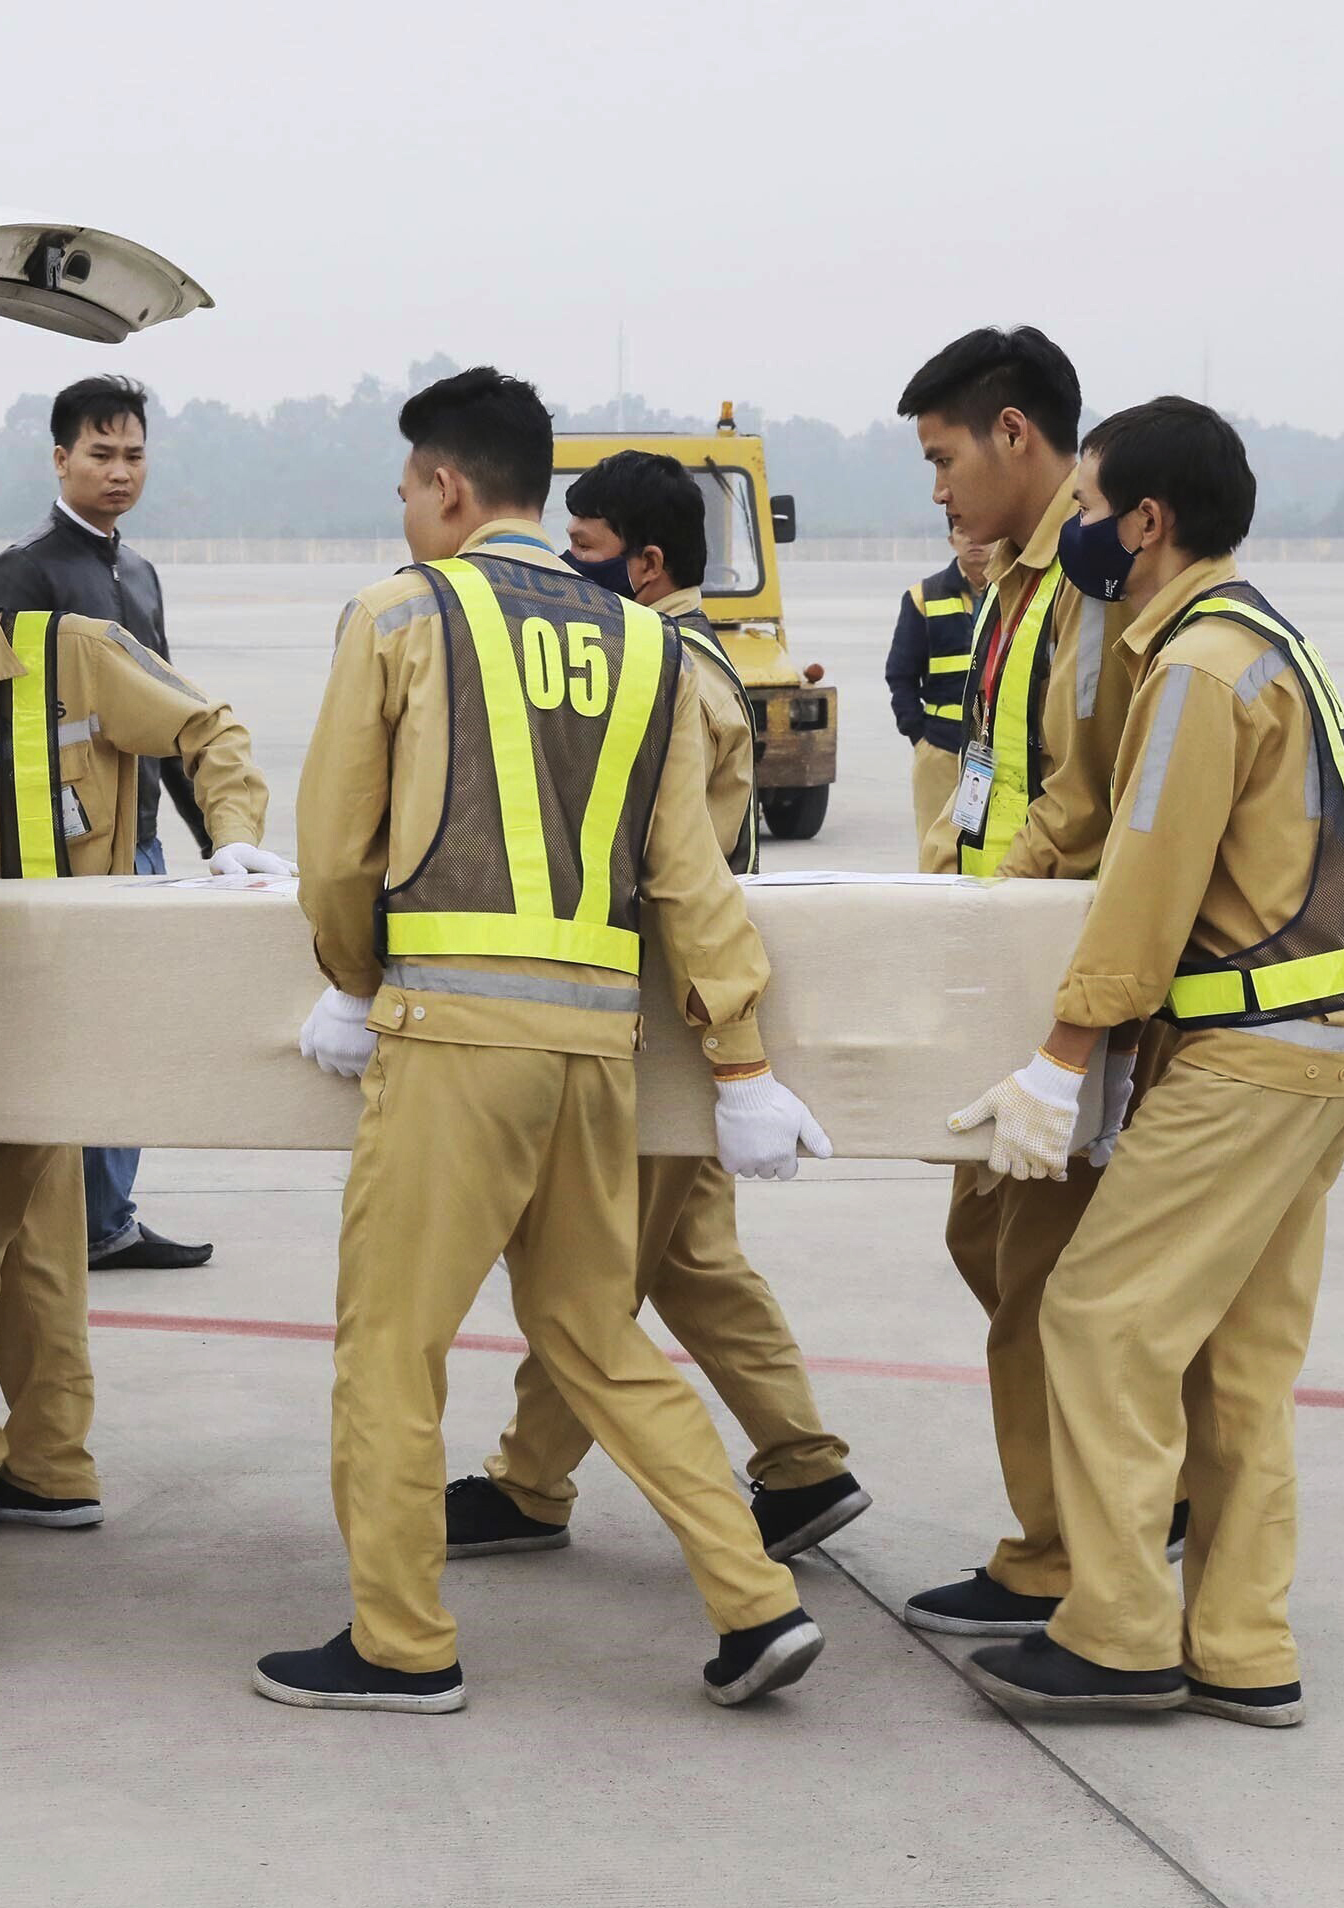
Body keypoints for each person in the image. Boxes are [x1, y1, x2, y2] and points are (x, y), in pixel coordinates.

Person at [260, 368, 836, 1716]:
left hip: (455, 1038)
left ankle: (400, 1642)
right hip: (595, 1053)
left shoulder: (402, 612)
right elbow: (692, 882)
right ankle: (757, 1602)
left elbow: (336, 844)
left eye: (410, 486)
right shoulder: (648, 648)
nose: (407, 509)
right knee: (593, 1332)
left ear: (449, 488)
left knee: (392, 1345)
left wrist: (350, 977)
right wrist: (738, 1052)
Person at [951, 399, 1344, 1725]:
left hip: (1252, 1051)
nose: (1076, 536)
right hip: (1336, 1039)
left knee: (1097, 1313)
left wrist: (1058, 1056)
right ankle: (1245, 1648)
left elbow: (1145, 884)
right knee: (1237, 1358)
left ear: (1147, 523)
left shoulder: (1197, 666)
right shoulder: (1263, 639)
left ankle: (1122, 1629)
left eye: (1088, 514)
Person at [0, 485, 285, 1533]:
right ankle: (52, 1465)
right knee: (37, 1225)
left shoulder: (74, 656)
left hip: (78, 1003)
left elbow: (208, 727)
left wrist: (234, 834)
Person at [445, 448, 871, 1567]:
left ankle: (530, 1484)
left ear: (642, 562)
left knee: (589, 1273)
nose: (562, 572)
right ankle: (803, 1462)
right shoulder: (702, 656)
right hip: (685, 1015)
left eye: (580, 553)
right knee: (684, 1259)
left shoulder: (664, 667)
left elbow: (673, 866)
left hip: (658, 1013)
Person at [893, 325, 1187, 1641]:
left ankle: (1060, 1547)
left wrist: (1009, 905)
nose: (940, 491)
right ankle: (1111, 1493)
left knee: (1037, 1273)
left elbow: (1092, 788)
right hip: (993, 948)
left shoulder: (1086, 584)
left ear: (1017, 436)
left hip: (1045, 961)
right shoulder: (1008, 585)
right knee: (986, 1242)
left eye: (947, 458)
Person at [0, 375, 220, 1273]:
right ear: (60, 459)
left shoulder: (137, 573)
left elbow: (171, 717)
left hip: (141, 841)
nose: (120, 472)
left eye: (134, 455)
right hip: (61, 848)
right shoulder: (24, 571)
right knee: (72, 1038)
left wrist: (213, 835)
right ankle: (62, 1221)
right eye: (101, 454)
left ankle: (106, 1216)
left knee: (129, 1034)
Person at [886, 523, 991, 838]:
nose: (974, 537)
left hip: (999, 747)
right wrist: (920, 737)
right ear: (951, 540)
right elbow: (900, 675)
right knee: (936, 847)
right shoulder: (923, 597)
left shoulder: (1016, 591)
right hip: (941, 747)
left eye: (981, 531)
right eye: (963, 530)